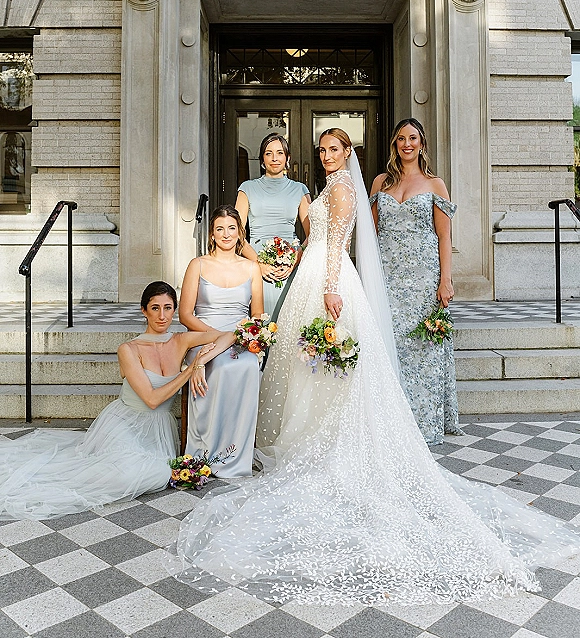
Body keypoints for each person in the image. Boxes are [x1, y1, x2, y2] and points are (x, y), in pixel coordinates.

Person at [167, 131, 580, 607]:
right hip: (311, 271)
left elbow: (338, 243)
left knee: (327, 364)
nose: (326, 156)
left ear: (349, 154)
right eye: (321, 150)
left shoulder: (342, 189)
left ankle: (328, 438)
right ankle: (309, 433)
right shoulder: (328, 186)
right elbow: (317, 235)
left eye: (334, 150)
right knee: (311, 369)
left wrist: (328, 288)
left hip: (329, 279)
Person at [0, 281, 233, 521]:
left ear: (175, 310)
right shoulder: (129, 349)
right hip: (125, 421)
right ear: (144, 310)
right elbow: (152, 400)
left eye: (168, 307)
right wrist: (191, 368)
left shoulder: (181, 340)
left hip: (159, 429)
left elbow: (230, 334)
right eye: (155, 308)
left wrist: (203, 362)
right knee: (125, 475)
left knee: (157, 473)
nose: (162, 316)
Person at [369, 117, 462, 445]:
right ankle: (389, 421)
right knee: (389, 346)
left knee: (421, 349)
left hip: (424, 279)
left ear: (422, 144)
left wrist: (445, 280)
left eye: (413, 138)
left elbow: (444, 236)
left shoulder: (435, 184)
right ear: (394, 145)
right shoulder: (380, 183)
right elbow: (370, 235)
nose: (406, 144)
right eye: (400, 139)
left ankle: (422, 422)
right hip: (388, 278)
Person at [179, 204, 264, 478]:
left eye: (231, 228)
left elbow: (257, 316)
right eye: (219, 229)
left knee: (247, 366)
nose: (226, 234)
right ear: (212, 234)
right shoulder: (198, 264)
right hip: (203, 335)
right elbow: (184, 314)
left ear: (240, 233)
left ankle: (236, 453)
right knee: (221, 367)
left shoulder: (252, 268)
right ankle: (206, 449)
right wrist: (215, 339)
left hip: (239, 339)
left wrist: (239, 337)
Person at [235, 133, 310, 319]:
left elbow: (313, 235)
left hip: (290, 262)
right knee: (262, 322)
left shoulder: (300, 189)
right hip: (256, 259)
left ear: (287, 158)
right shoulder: (247, 188)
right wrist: (258, 264)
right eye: (269, 153)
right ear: (262, 159)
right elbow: (236, 233)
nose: (274, 158)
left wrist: (295, 260)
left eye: (279, 153)